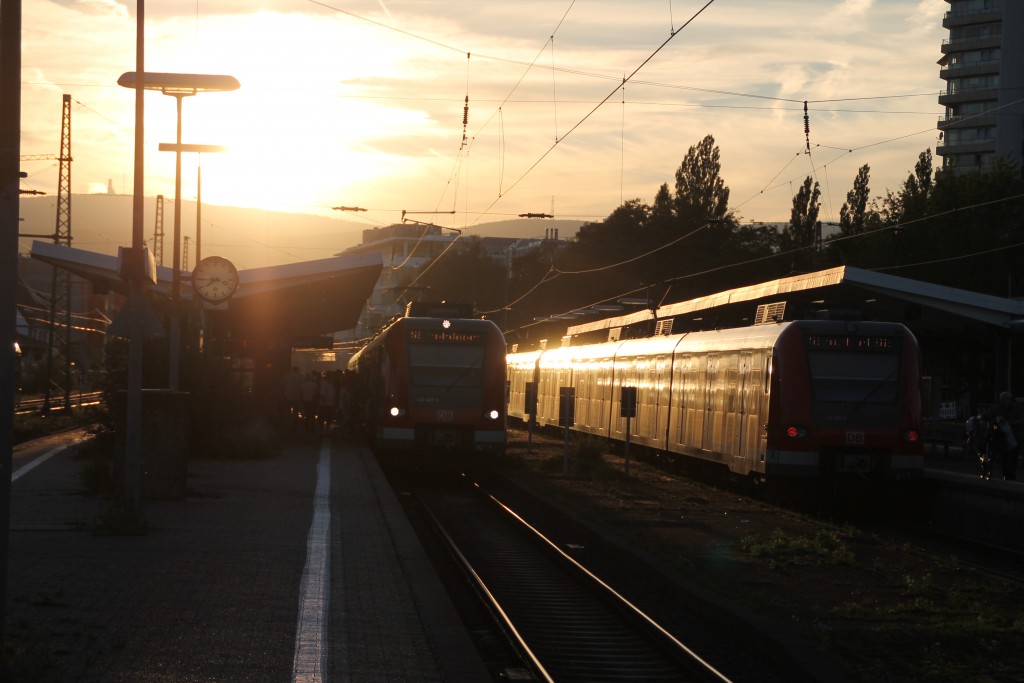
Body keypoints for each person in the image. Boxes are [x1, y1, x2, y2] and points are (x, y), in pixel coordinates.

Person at [986, 391, 1021, 481]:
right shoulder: (999, 407)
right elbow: (988, 415)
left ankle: (1010, 474)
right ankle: (1007, 474)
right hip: (1003, 436)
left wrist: (1012, 423)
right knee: (1007, 455)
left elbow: (1021, 420)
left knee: (1011, 456)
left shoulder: (1015, 408)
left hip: (1013, 435)